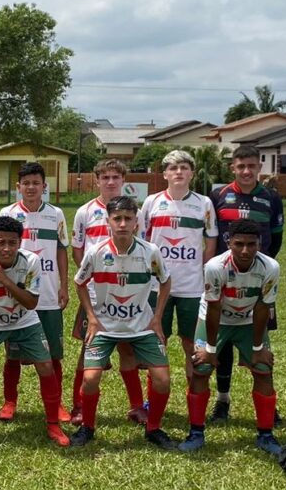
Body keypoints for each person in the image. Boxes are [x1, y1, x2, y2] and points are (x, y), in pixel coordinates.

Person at [71, 196, 177, 449]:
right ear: (108, 221)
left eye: (127, 219)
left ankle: (153, 428)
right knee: (91, 378)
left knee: (162, 379)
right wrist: (93, 318)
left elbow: (165, 282)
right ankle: (87, 427)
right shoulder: (96, 253)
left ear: (136, 222)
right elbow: (79, 283)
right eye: (117, 218)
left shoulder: (150, 252)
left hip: (141, 327)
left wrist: (157, 318)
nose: (122, 224)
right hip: (105, 328)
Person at [0, 216, 69, 446]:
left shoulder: (31, 261)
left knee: (46, 365)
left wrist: (4, 280)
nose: (7, 248)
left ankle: (53, 424)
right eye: (1, 242)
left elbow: (31, 303)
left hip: (25, 321)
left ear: (20, 242)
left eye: (12, 242)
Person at [180, 219, 282, 455]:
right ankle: (196, 432)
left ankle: (266, 435)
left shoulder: (270, 267)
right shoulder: (215, 266)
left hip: (249, 321)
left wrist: (257, 347)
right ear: (229, 243)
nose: (245, 250)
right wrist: (211, 350)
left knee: (264, 369)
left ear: (259, 244)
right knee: (201, 369)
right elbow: (214, 308)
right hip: (216, 319)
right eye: (239, 244)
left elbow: (263, 308)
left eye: (251, 244)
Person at [208, 146, 284, 422]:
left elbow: (275, 239)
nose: (247, 171)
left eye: (252, 166)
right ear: (233, 168)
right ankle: (223, 400)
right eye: (241, 166)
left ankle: (267, 406)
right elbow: (212, 236)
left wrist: (256, 270)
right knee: (223, 342)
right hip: (223, 279)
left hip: (257, 280)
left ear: (259, 167)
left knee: (259, 339)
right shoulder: (217, 197)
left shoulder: (271, 198)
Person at [70, 158, 145, 425]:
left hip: (127, 292)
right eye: (105, 177)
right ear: (97, 180)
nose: (110, 182)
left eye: (116, 177)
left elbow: (143, 249)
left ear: (123, 180)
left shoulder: (136, 211)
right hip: (95, 293)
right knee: (88, 347)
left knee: (127, 349)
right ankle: (79, 405)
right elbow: (77, 248)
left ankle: (137, 406)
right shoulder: (84, 212)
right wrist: (91, 276)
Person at [0, 162, 71, 422]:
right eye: (25, 183)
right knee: (13, 354)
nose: (30, 187)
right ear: (18, 187)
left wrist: (64, 283)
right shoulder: (7, 212)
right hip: (19, 294)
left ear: (44, 186)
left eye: (36, 183)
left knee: (53, 354)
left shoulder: (56, 214)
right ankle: (9, 401)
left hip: (49, 293)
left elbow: (62, 249)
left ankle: (58, 404)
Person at [139, 150, 217, 384]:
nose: (179, 172)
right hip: (157, 285)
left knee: (190, 343)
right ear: (165, 174)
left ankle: (194, 394)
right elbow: (142, 240)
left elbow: (211, 240)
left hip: (191, 286)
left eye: (184, 167)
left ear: (192, 173)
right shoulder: (152, 202)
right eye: (173, 168)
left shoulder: (204, 203)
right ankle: (153, 401)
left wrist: (202, 270)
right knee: (155, 341)